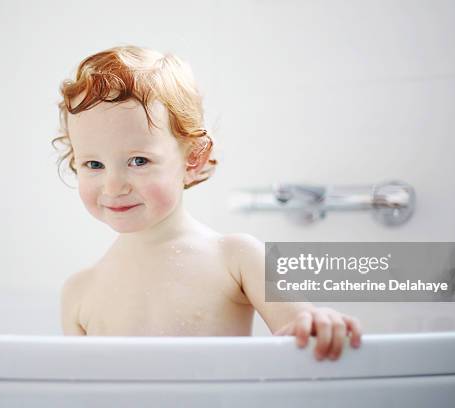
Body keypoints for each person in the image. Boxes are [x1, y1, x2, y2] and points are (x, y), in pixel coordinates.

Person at [53, 45, 362, 361]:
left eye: (138, 160)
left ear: (192, 159)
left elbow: (303, 327)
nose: (113, 185)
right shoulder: (79, 293)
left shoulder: (236, 258)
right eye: (93, 165)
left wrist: (317, 321)